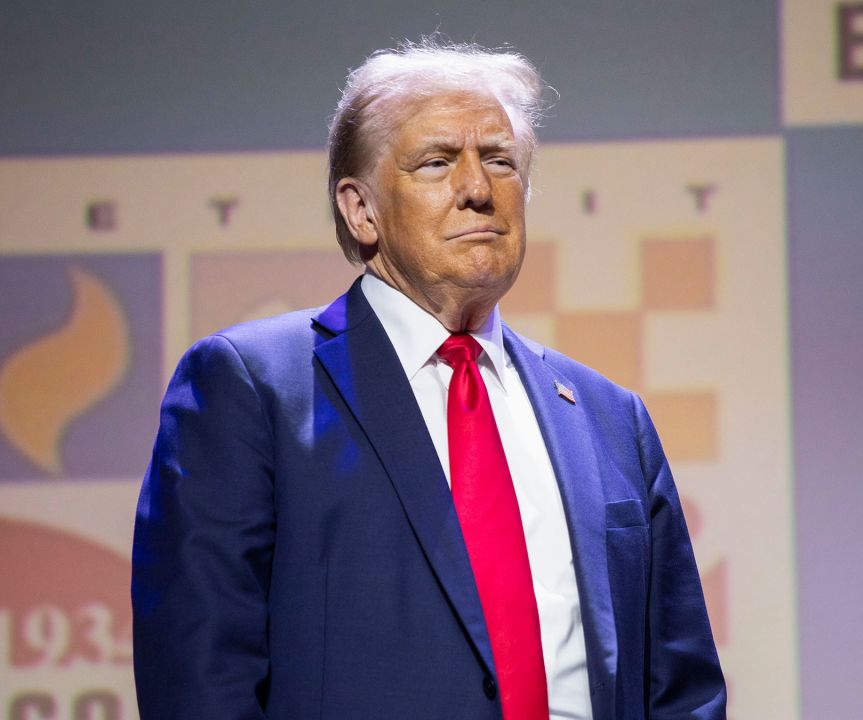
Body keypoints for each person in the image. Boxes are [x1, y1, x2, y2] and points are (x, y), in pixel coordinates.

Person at [132, 40, 726, 720]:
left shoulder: (608, 419)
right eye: (438, 162)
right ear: (361, 211)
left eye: (500, 161)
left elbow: (682, 692)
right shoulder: (251, 389)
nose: (479, 189)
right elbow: (201, 678)